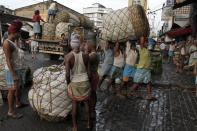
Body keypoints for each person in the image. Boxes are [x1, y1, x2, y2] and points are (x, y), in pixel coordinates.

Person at [66, 33, 91, 131]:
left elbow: (67, 75)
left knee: (74, 104)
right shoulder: (86, 55)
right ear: (79, 45)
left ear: (71, 45)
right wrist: (88, 83)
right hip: (85, 81)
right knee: (86, 103)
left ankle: (75, 127)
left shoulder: (68, 57)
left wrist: (68, 83)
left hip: (75, 83)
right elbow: (89, 73)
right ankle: (89, 123)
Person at [3, 20, 25, 119]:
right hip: (11, 71)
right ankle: (10, 112)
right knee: (11, 91)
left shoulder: (13, 41)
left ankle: (18, 103)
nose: (19, 34)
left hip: (17, 69)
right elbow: (8, 60)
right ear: (14, 32)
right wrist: (14, 75)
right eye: (18, 32)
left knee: (18, 88)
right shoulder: (7, 43)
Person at [85, 37, 99, 120]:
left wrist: (85, 51)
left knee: (91, 94)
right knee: (93, 94)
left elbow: (85, 59)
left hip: (92, 76)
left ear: (91, 45)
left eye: (87, 44)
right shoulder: (93, 54)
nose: (86, 46)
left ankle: (91, 111)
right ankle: (92, 111)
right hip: (94, 76)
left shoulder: (93, 55)